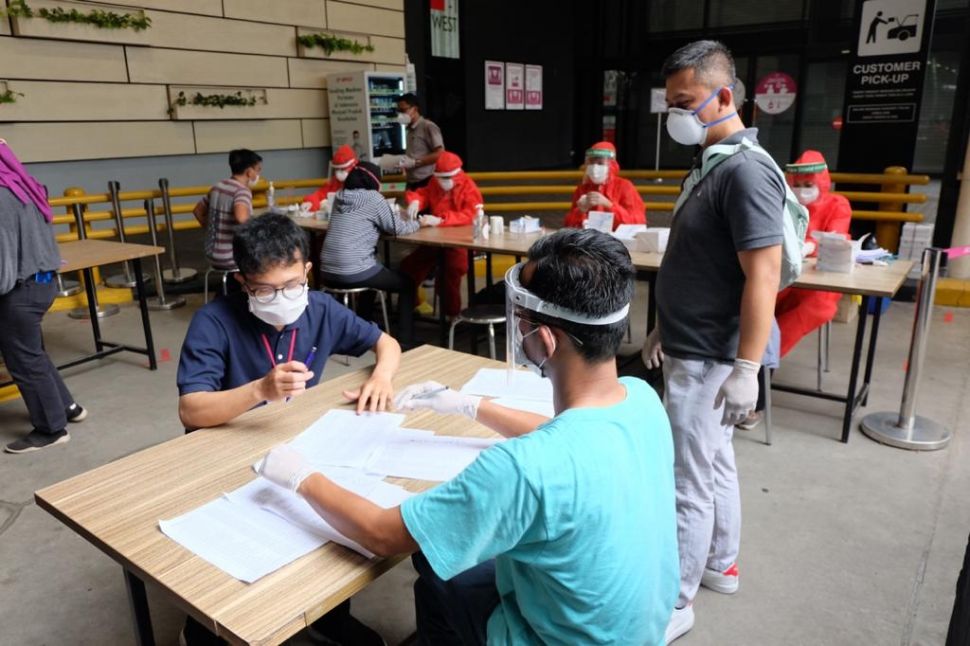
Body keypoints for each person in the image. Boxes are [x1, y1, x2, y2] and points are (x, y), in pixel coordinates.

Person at [255, 228, 679, 645]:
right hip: (633, 629)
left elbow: (382, 534)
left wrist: (301, 477)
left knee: (432, 567)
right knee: (450, 570)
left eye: (525, 322)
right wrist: (469, 405)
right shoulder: (641, 399)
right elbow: (568, 439)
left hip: (556, 637)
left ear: (545, 339)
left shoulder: (522, 468)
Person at [176, 213, 396, 646]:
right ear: (242, 281)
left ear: (308, 271)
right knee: (230, 557)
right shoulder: (214, 321)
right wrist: (260, 389)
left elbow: (384, 343)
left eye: (293, 284)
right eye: (265, 289)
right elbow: (191, 410)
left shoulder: (321, 309)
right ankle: (202, 630)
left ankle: (329, 615)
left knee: (333, 515)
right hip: (223, 451)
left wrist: (382, 377)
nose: (282, 298)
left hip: (294, 442)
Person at [643, 40, 786, 643]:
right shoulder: (712, 162)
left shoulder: (747, 171)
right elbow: (695, 259)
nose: (675, 114)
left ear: (724, 96)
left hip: (710, 356)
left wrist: (746, 366)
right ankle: (721, 562)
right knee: (715, 463)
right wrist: (661, 325)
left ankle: (675, 603)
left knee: (687, 481)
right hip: (689, 340)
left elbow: (765, 274)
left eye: (686, 102)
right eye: (670, 103)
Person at [0, 140, 87, 454]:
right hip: (44, 279)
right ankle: (67, 406)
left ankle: (51, 429)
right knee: (33, 352)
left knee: (23, 360)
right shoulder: (22, 185)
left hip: (20, 289)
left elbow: (2, 268)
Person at [320, 161, 421, 348]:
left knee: (373, 274)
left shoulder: (340, 196)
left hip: (327, 271)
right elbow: (397, 228)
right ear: (374, 181)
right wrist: (420, 223)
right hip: (354, 270)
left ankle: (362, 328)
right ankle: (405, 341)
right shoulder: (373, 198)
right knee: (407, 284)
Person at [775, 150, 852, 358]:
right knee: (759, 298)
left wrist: (808, 246)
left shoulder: (837, 205)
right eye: (797, 185)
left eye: (808, 185)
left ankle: (765, 358)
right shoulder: (786, 204)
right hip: (785, 271)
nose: (802, 191)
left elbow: (836, 237)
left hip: (821, 277)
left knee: (817, 307)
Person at [399, 151, 483, 319]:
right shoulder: (436, 182)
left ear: (456, 175)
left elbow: (470, 214)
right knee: (409, 267)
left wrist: (441, 220)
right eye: (439, 178)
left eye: (445, 178)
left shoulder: (469, 187)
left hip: (458, 243)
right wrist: (415, 200)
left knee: (449, 277)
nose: (441, 182)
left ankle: (452, 316)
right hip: (434, 240)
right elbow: (423, 193)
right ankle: (411, 305)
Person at [193, 148, 261, 274]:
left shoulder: (218, 186)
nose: (258, 175)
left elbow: (197, 211)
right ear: (249, 171)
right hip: (230, 257)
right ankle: (253, 292)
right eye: (258, 170)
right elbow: (241, 218)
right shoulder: (241, 191)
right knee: (269, 254)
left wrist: (211, 229)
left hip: (211, 254)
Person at [564, 141, 647, 230]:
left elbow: (637, 222)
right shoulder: (582, 189)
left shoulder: (625, 187)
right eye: (591, 163)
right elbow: (568, 225)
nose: (595, 167)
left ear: (612, 165)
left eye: (600, 163)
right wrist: (580, 211)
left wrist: (609, 205)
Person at [395, 93, 444, 190]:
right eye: (398, 111)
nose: (400, 115)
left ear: (415, 109)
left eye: (403, 110)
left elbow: (440, 154)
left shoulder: (428, 126)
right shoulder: (409, 130)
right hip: (412, 183)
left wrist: (414, 162)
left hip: (427, 182)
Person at [301, 144, 358, 213]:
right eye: (337, 169)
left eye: (342, 169)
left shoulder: (361, 181)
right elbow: (319, 194)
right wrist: (310, 203)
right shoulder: (335, 182)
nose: (338, 173)